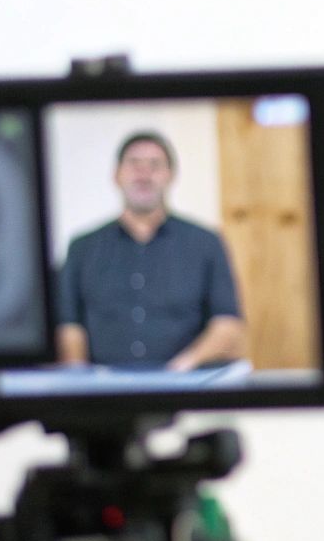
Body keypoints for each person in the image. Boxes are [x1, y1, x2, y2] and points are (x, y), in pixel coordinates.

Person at [55, 130, 246, 371]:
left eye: (154, 165)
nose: (144, 174)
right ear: (116, 175)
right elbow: (69, 326)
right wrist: (80, 382)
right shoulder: (82, 248)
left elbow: (228, 324)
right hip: (103, 394)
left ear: (170, 176)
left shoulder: (206, 243)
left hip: (185, 390)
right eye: (134, 164)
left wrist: (182, 367)